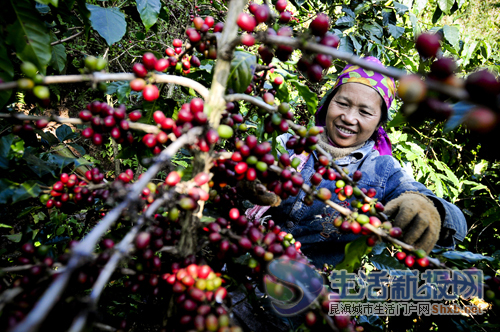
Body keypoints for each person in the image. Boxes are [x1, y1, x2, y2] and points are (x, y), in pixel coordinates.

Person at [245, 57, 467, 269]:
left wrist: (428, 207)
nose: (349, 118)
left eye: (365, 112)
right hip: (242, 268)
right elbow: (240, 174)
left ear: (380, 120)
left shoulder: (382, 171)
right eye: (342, 103)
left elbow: (457, 222)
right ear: (329, 102)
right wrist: (248, 180)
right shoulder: (290, 144)